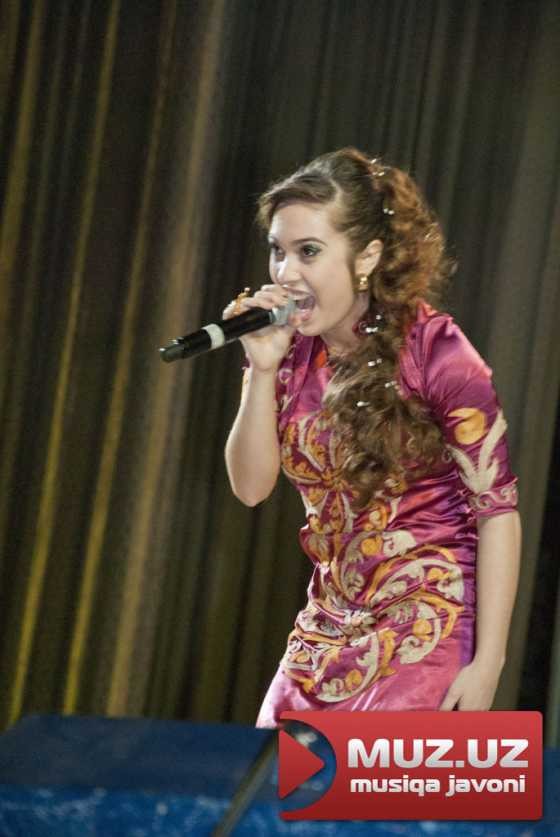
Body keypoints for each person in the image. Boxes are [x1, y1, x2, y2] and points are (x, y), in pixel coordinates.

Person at [223, 147, 522, 728]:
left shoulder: (436, 351)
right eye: (278, 251)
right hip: (324, 633)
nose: (285, 273)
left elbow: (498, 510)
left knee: (368, 786)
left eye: (308, 251)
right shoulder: (287, 354)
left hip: (427, 623)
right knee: (269, 781)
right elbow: (251, 488)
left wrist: (489, 662)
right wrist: (261, 368)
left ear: (367, 257)